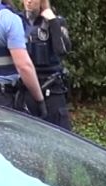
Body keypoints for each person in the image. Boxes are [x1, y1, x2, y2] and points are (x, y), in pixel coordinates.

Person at [22, 0, 74, 129]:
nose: (28, 2)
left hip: (52, 88)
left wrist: (53, 22)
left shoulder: (55, 21)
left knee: (61, 131)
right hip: (27, 87)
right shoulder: (18, 20)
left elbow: (62, 50)